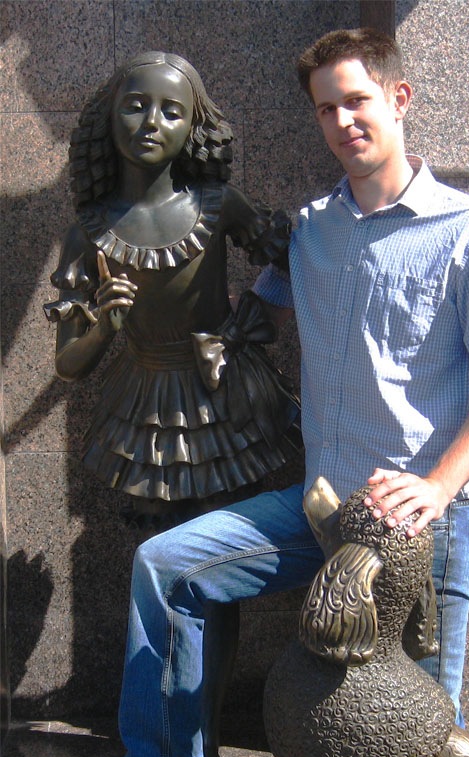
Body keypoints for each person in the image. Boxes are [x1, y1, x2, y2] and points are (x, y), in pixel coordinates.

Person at [58, 29, 469, 757]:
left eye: (357, 100)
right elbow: (262, 310)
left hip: (419, 529)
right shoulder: (312, 228)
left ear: (399, 98)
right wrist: (189, 330)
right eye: (326, 107)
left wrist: (437, 487)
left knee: (420, 735)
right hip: (316, 510)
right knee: (169, 564)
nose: (343, 121)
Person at [45, 51, 300, 520]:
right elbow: (67, 364)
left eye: (171, 111)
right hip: (145, 403)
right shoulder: (88, 234)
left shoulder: (220, 205)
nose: (151, 122)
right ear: (109, 117)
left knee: (229, 533)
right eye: (135, 106)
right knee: (154, 530)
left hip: (227, 392)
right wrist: (104, 328)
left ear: (193, 129)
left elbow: (298, 261)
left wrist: (263, 310)